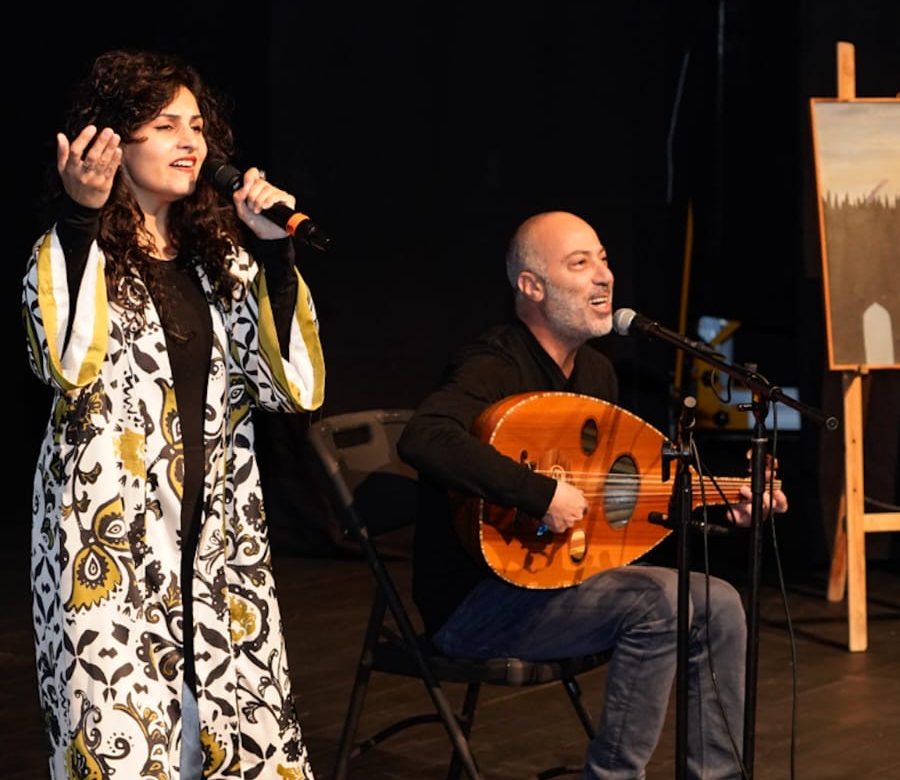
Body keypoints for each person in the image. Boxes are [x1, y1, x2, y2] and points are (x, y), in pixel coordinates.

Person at [397, 210, 788, 779]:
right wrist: (539, 493)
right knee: (658, 603)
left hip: (560, 581)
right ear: (531, 286)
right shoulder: (494, 363)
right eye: (579, 263)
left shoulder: (597, 375)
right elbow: (425, 436)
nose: (604, 275)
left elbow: (613, 508)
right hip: (475, 603)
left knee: (720, 602)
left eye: (603, 260)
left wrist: (721, 505)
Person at [22, 49, 325, 779]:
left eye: (196, 125)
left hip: (216, 539)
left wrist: (276, 256)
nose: (190, 142)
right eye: (165, 126)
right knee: (123, 739)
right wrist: (79, 217)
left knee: (242, 734)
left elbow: (289, 387)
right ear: (111, 142)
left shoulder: (220, 260)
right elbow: (63, 360)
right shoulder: (73, 251)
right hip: (110, 542)